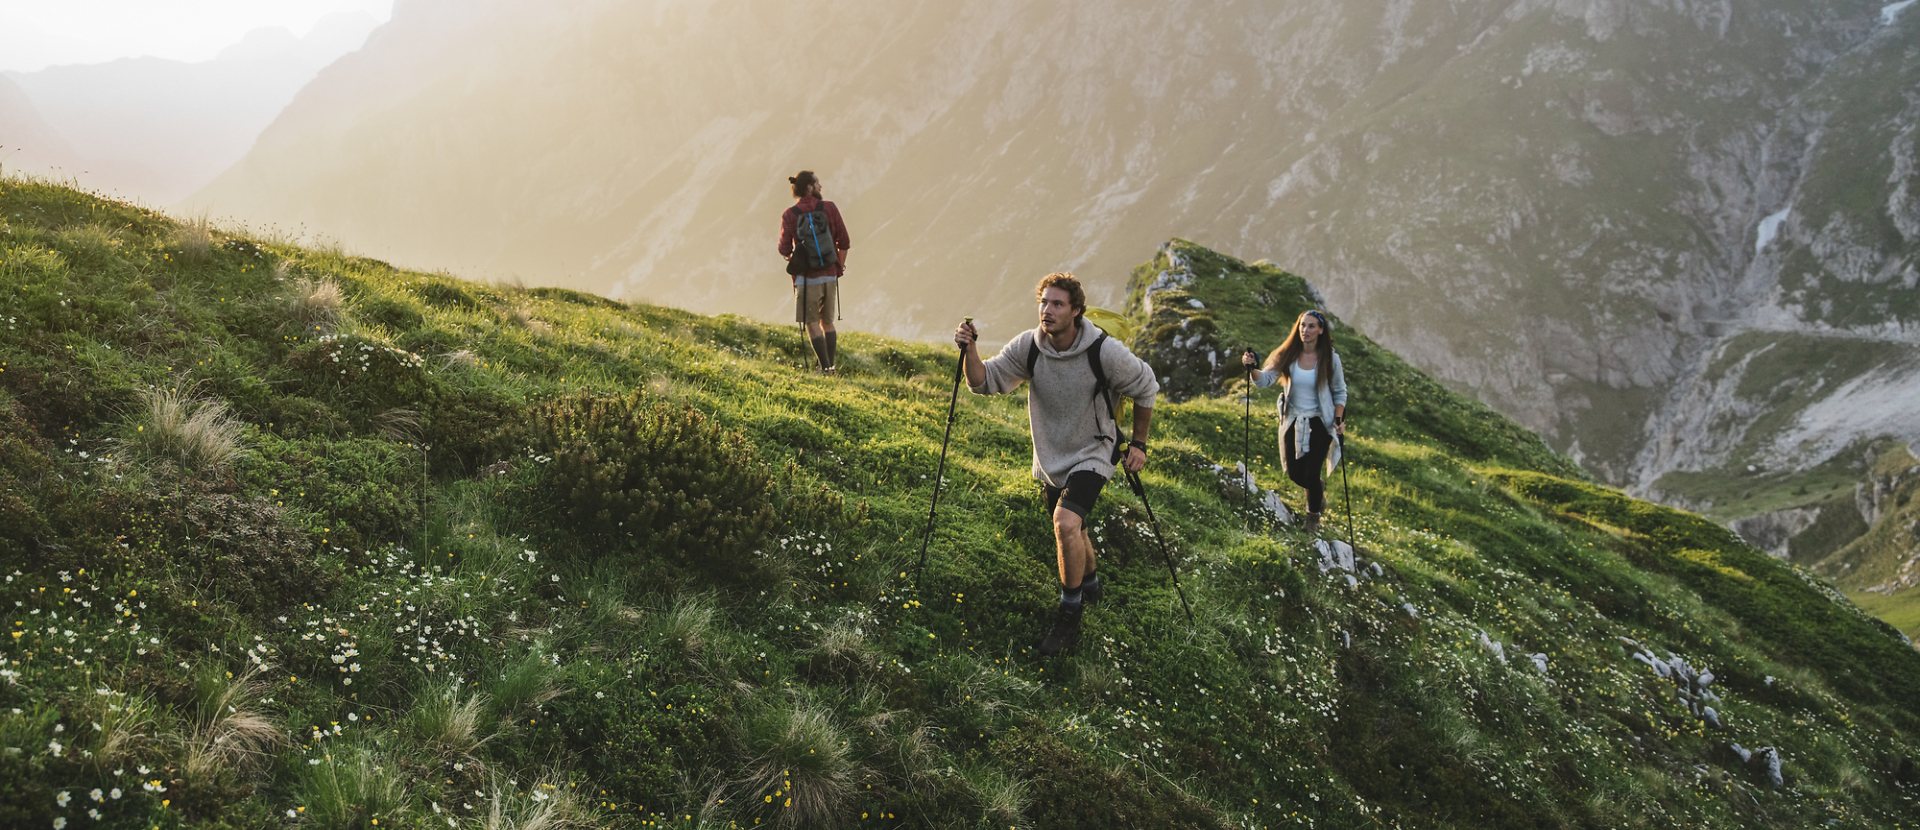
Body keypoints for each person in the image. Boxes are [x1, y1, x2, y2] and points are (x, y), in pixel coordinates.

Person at [954, 273, 1159, 656]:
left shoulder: (1104, 351)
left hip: (1095, 450)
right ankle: (1092, 583)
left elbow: (1146, 387)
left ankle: (1069, 615)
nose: (1047, 311)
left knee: (1065, 522)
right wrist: (970, 351)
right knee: (1074, 529)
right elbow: (983, 383)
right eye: (1044, 302)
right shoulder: (1029, 347)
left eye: (1057, 304)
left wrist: (1140, 444)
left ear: (1076, 311)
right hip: (1052, 454)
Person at [1243, 309, 1347, 533]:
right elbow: (1265, 380)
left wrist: (1339, 419)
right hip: (1292, 418)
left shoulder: (1330, 359)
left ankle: (1313, 516)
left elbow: (1340, 392)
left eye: (1311, 326)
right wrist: (1252, 369)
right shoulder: (1288, 353)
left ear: (1320, 330)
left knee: (1310, 472)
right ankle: (1317, 491)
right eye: (1302, 325)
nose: (1305, 330)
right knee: (1294, 473)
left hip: (1320, 421)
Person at [778, 170, 851, 373]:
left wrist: (794, 256)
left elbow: (784, 248)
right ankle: (831, 366)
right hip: (829, 274)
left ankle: (825, 368)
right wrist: (839, 267)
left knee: (812, 323)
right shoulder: (829, 208)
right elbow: (844, 242)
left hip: (806, 279)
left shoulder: (790, 215)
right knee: (827, 322)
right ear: (810, 187)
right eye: (818, 183)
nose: (821, 187)